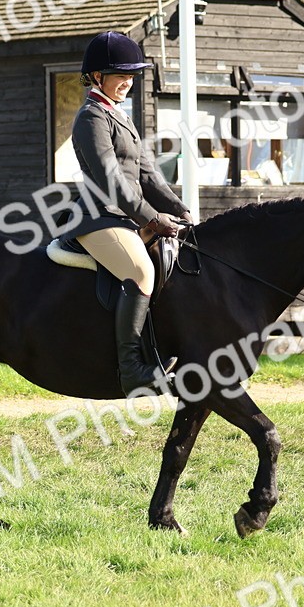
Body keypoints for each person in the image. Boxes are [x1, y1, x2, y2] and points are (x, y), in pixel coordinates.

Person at [67, 31, 191, 393]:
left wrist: (182, 212)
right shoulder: (91, 117)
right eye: (120, 75)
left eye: (131, 75)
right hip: (99, 216)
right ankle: (132, 369)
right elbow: (112, 182)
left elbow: (149, 176)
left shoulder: (119, 115)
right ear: (96, 76)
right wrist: (152, 218)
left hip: (125, 217)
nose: (127, 82)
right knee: (140, 271)